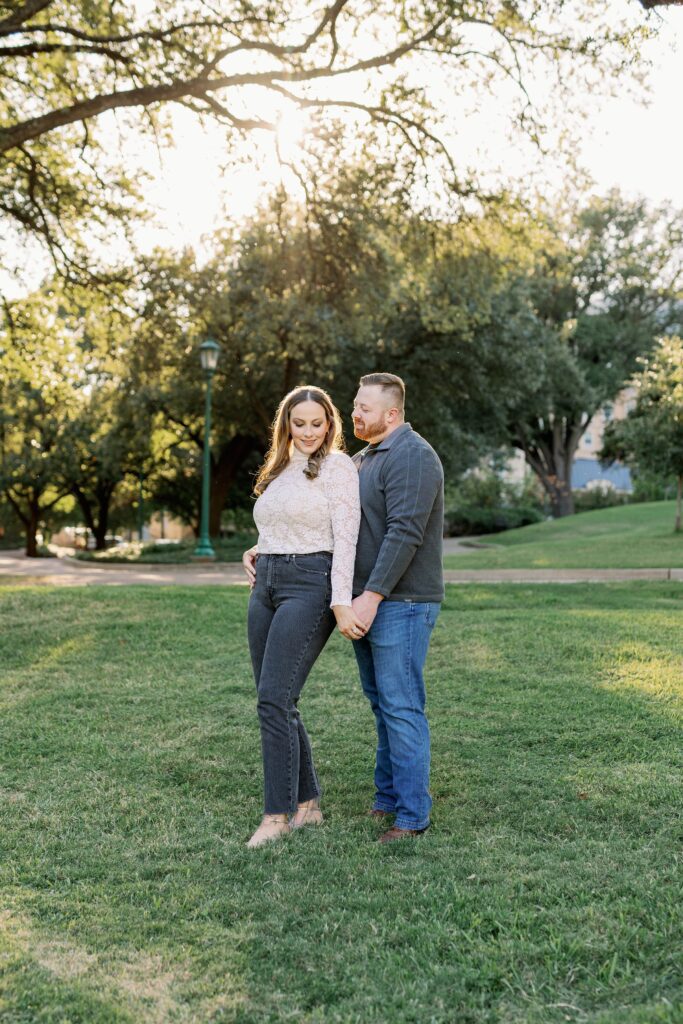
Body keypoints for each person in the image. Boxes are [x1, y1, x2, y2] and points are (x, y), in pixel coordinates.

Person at [241, 385, 365, 848]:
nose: (309, 432)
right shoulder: (278, 467)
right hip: (266, 584)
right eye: (300, 423)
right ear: (286, 425)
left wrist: (339, 601)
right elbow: (279, 524)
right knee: (277, 699)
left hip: (310, 585)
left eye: (318, 423)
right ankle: (309, 806)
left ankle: (277, 816)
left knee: (274, 698)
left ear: (329, 424)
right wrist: (256, 550)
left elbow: (345, 536)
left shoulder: (338, 468)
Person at [350, 372, 444, 844]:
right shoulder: (364, 458)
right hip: (371, 602)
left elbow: (404, 532)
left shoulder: (413, 456)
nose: (355, 413)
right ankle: (386, 800)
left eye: (364, 408)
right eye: (355, 405)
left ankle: (411, 817)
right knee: (383, 704)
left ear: (391, 414)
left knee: (402, 706)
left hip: (401, 603)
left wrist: (371, 596)